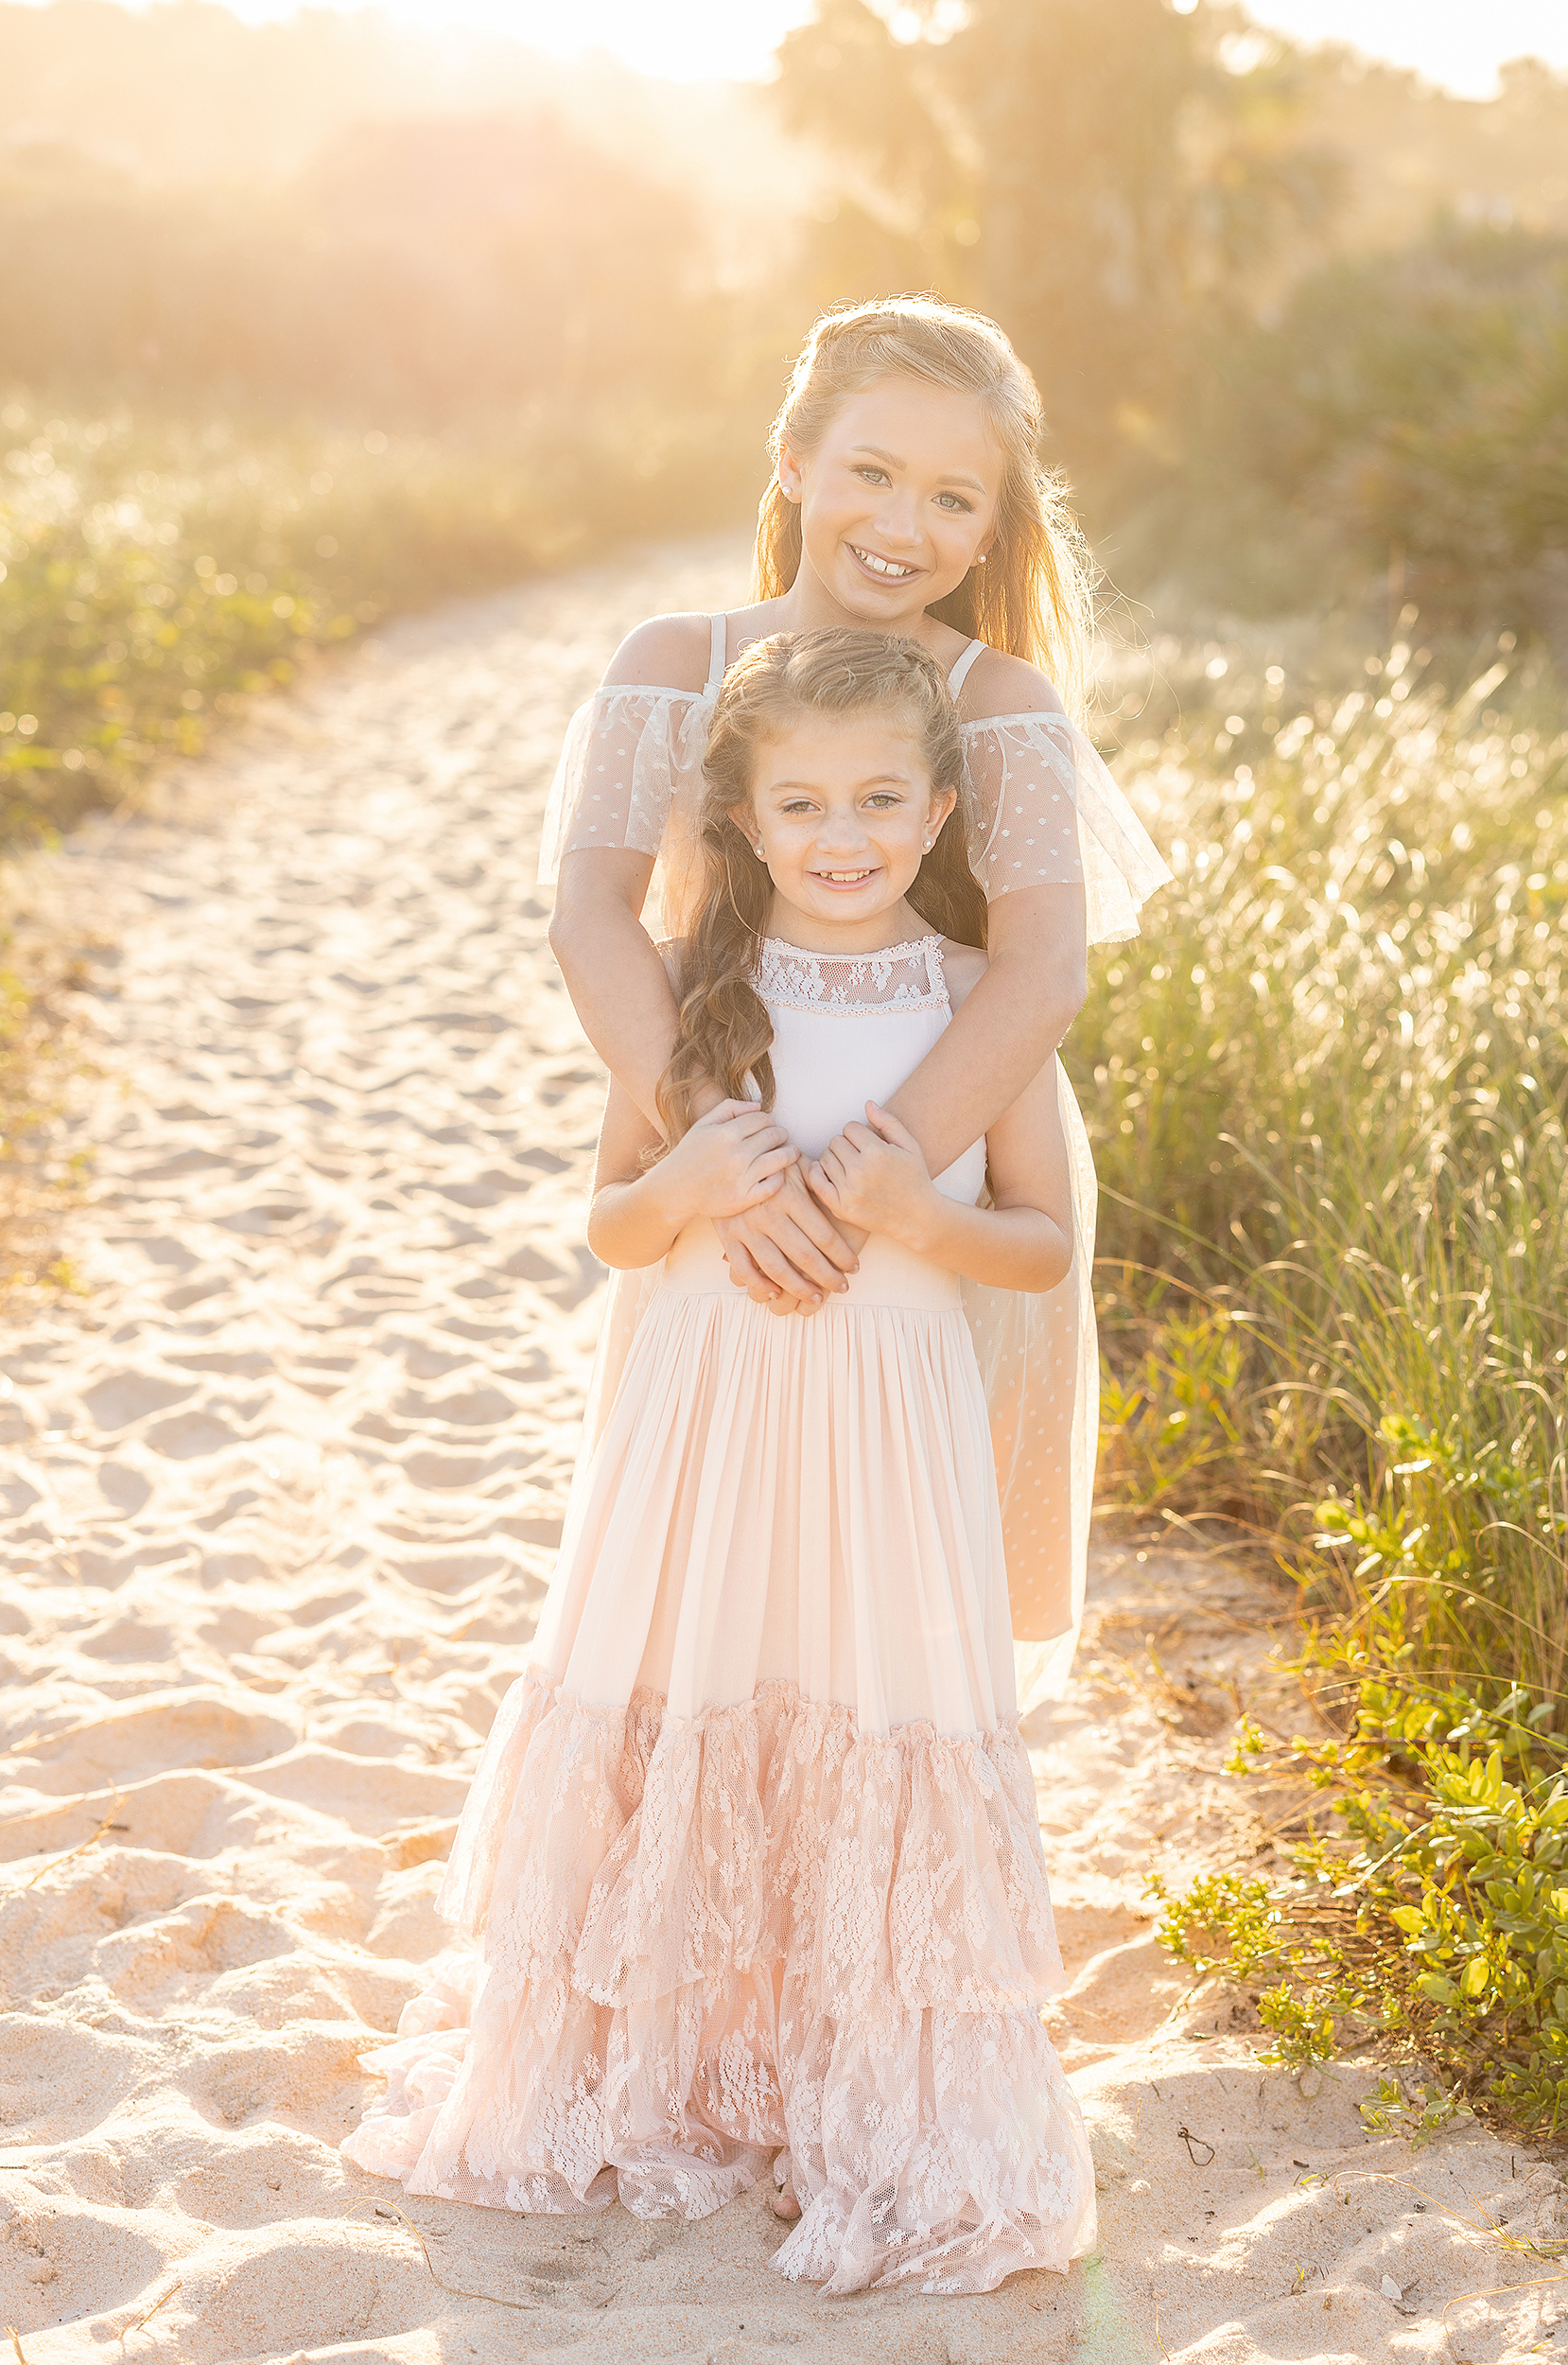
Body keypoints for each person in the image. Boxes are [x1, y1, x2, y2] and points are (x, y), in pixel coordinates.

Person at [343, 631, 1097, 2294]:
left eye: (881, 799)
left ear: (943, 811)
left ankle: (864, 2084)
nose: (844, 833)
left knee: (870, 1711)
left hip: (887, 1425)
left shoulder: (981, 1001)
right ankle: (674, 2060)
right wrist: (682, 1190)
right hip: (706, 1418)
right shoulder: (700, 994)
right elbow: (614, 1223)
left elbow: (1040, 1247)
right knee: (700, 1689)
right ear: (745, 824)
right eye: (803, 803)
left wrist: (922, 1215)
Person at [546, 296, 1172, 1708]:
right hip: (719, 1122)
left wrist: (857, 1192)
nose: (905, 521)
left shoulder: (996, 697)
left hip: (934, 1143)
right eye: (872, 471)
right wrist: (729, 1157)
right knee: (711, 1557)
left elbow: (1041, 968)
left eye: (955, 497)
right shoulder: (675, 661)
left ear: (991, 530)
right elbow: (591, 916)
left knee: (898, 1580)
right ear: (792, 464)